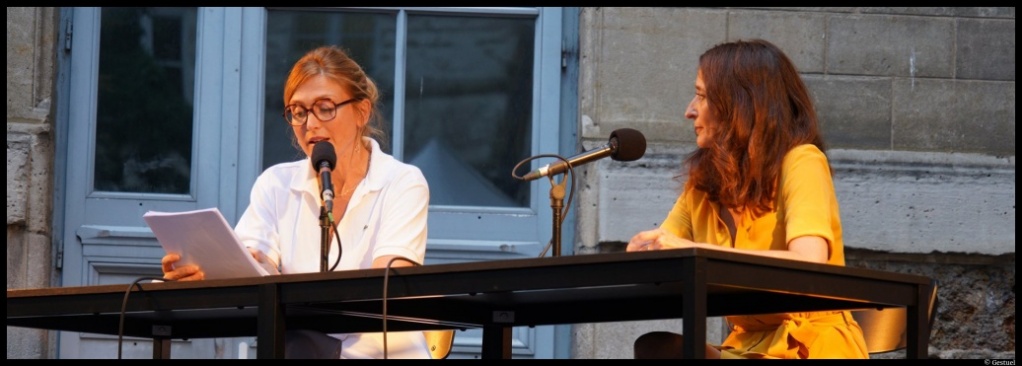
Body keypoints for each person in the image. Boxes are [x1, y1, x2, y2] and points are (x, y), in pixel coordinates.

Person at [160, 45, 432, 359]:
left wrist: (279, 286)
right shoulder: (275, 184)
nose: (310, 124)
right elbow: (254, 265)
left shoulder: (402, 181)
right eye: (298, 112)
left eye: (325, 107)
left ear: (362, 112)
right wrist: (205, 271)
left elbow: (387, 286)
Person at [626, 39, 869, 359]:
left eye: (701, 95)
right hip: (745, 347)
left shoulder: (801, 161)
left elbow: (810, 262)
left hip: (813, 346)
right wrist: (645, 255)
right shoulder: (701, 186)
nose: (689, 110)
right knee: (656, 347)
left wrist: (692, 251)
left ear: (738, 103)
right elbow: (663, 251)